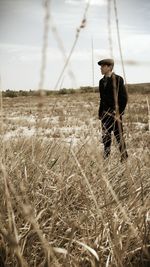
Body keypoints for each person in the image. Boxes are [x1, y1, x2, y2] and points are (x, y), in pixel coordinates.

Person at [98, 58, 128, 162]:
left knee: (119, 137)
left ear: (110, 67)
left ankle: (124, 159)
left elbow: (124, 98)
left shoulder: (118, 79)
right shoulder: (101, 82)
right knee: (106, 139)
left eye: (103, 66)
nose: (101, 68)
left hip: (115, 115)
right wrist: (100, 113)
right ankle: (106, 160)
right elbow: (102, 99)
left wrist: (118, 112)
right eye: (100, 66)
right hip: (105, 115)